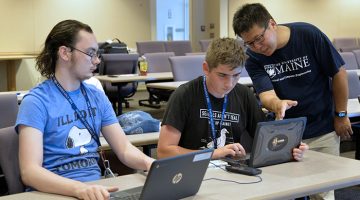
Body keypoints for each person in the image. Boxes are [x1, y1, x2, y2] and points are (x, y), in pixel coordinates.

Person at [15, 19, 154, 200]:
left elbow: (124, 149)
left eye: (97, 54)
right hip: (52, 193)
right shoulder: (36, 102)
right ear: (65, 53)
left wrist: (150, 163)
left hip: (95, 191)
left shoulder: (96, 96)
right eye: (90, 53)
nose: (96, 61)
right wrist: (78, 189)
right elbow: (30, 171)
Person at [232, 3, 352, 199]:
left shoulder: (308, 35)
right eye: (249, 43)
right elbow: (266, 95)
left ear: (272, 23)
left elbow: (338, 73)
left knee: (322, 193)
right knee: (284, 190)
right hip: (286, 134)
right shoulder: (254, 57)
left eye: (259, 39)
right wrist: (277, 104)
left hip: (322, 128)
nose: (257, 47)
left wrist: (341, 114)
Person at [157, 37, 308, 161]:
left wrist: (291, 148)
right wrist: (214, 153)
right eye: (222, 75)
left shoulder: (243, 94)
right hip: (191, 170)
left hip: (231, 170)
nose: (229, 84)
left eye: (236, 75)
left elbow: (266, 141)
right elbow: (164, 151)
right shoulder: (185, 94)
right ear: (206, 68)